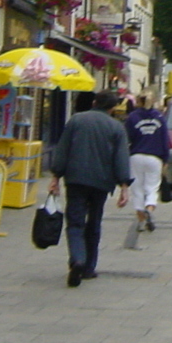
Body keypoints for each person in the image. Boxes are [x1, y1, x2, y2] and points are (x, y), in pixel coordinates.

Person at [49, 90, 132, 287]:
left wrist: (55, 176)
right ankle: (88, 267)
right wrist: (124, 186)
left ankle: (77, 258)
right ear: (112, 108)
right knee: (94, 223)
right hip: (101, 182)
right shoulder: (116, 127)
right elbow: (121, 158)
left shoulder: (76, 120)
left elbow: (63, 149)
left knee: (75, 223)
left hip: (76, 179)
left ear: (95, 102)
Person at [123, 92, 168, 233]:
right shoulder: (160, 117)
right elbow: (165, 140)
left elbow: (126, 139)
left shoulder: (132, 117)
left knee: (137, 190)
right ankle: (149, 207)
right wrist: (165, 160)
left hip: (136, 156)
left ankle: (140, 221)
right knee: (152, 188)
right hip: (155, 157)